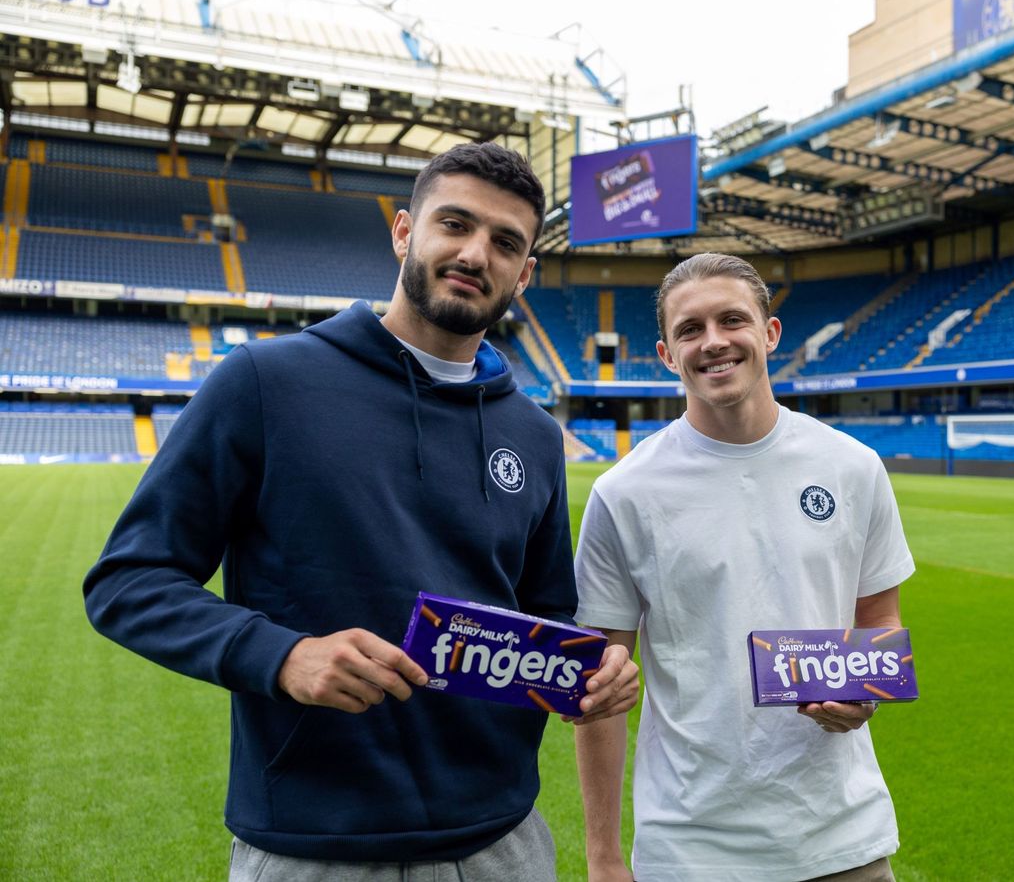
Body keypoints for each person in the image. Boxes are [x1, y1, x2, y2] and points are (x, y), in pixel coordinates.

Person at [84, 142, 638, 881]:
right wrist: (281, 656)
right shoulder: (264, 383)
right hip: (316, 847)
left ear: (525, 273)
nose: (477, 253)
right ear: (405, 232)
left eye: (506, 242)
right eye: (455, 224)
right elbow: (128, 580)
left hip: (503, 843)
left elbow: (544, 615)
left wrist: (594, 671)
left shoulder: (534, 437)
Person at [573, 253, 915, 882]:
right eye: (690, 330)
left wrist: (864, 687)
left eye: (732, 319)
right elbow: (602, 685)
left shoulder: (853, 466)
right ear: (667, 354)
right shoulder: (624, 494)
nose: (714, 343)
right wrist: (602, 856)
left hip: (843, 835)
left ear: (769, 333)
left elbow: (880, 617)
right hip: (692, 847)